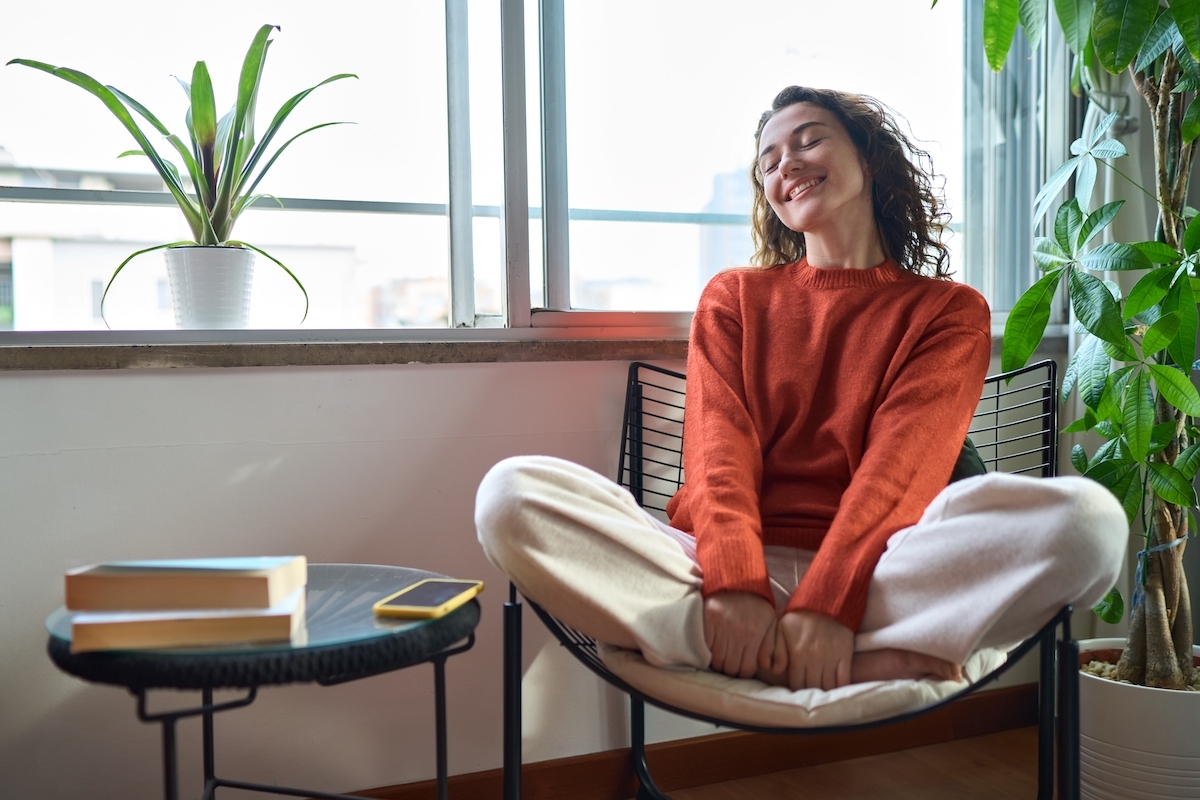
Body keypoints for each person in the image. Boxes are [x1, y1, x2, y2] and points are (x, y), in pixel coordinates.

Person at [475, 86, 1127, 693]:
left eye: (810, 139)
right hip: (708, 574)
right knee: (509, 492)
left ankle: (732, 648)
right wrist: (736, 586)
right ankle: (856, 659)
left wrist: (828, 604)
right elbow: (716, 454)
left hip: (880, 574)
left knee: (1091, 523)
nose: (787, 162)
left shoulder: (948, 311)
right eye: (769, 161)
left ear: (869, 159)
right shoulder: (735, 296)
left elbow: (901, 471)